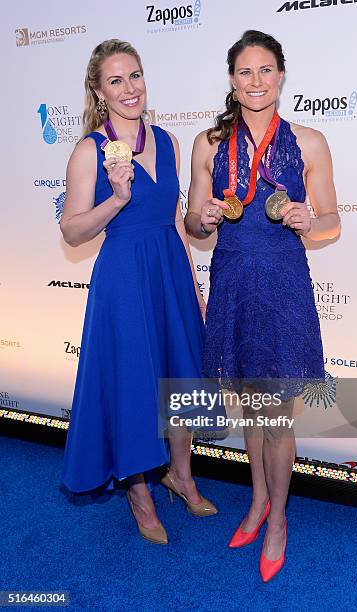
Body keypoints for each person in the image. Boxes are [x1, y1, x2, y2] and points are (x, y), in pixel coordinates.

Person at [185, 30, 340, 580]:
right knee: (251, 407)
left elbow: (332, 221)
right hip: (232, 280)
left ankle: (278, 520)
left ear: (281, 75)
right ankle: (256, 503)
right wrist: (200, 219)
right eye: (246, 71)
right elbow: (191, 220)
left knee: (275, 413)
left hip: (281, 283)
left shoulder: (309, 141)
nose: (256, 81)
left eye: (266, 70)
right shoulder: (209, 143)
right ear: (232, 79)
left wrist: (308, 219)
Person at [60, 39, 217, 546]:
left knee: (179, 375)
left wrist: (193, 286)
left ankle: (181, 474)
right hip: (125, 276)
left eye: (135, 76)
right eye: (116, 80)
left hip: (169, 266)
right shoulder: (91, 149)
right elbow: (73, 231)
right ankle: (139, 491)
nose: (130, 89)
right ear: (99, 92)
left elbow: (175, 220)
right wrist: (119, 199)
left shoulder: (168, 140)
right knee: (134, 382)